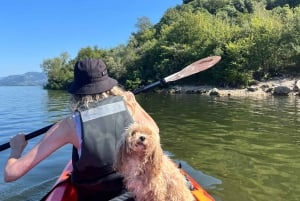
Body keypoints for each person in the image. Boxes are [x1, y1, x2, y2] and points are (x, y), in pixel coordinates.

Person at [4, 58, 159, 201]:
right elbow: (155, 133)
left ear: (77, 91)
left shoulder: (69, 125)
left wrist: (16, 149)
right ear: (109, 84)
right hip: (137, 195)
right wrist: (134, 102)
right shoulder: (129, 106)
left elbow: (11, 174)